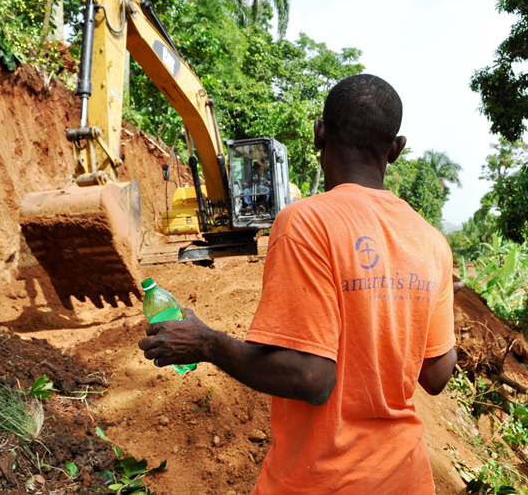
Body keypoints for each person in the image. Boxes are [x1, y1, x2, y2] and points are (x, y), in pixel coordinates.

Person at [138, 74, 458, 494]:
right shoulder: (432, 242)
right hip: (407, 480)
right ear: (395, 149)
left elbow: (312, 378)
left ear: (318, 133)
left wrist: (206, 344)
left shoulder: (308, 221)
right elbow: (436, 375)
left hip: (323, 481)